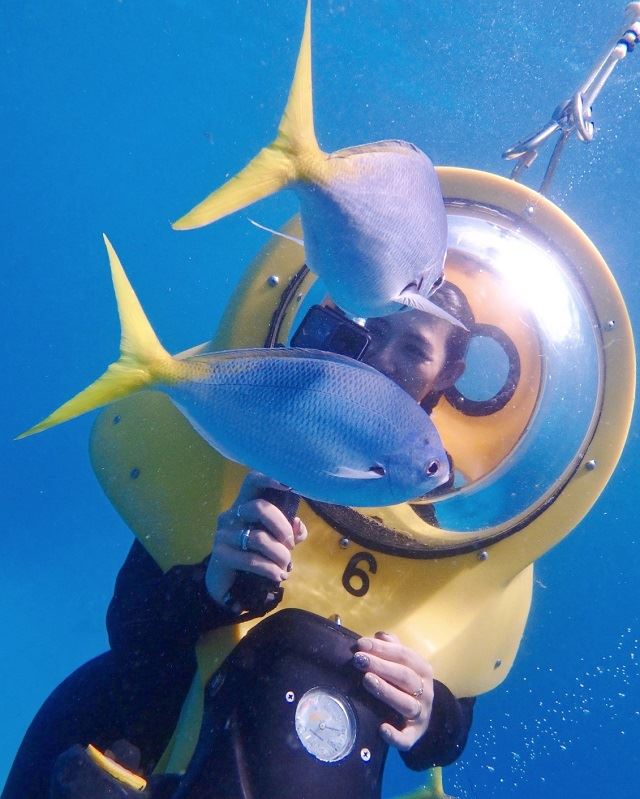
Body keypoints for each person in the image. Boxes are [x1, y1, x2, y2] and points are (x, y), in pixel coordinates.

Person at [2, 283, 476, 799]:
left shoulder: (439, 522)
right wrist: (209, 590)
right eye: (377, 330)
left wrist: (428, 710)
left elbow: (452, 724)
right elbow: (128, 627)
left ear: (447, 374)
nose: (383, 358)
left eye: (414, 349)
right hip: (139, 750)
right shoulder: (260, 419)